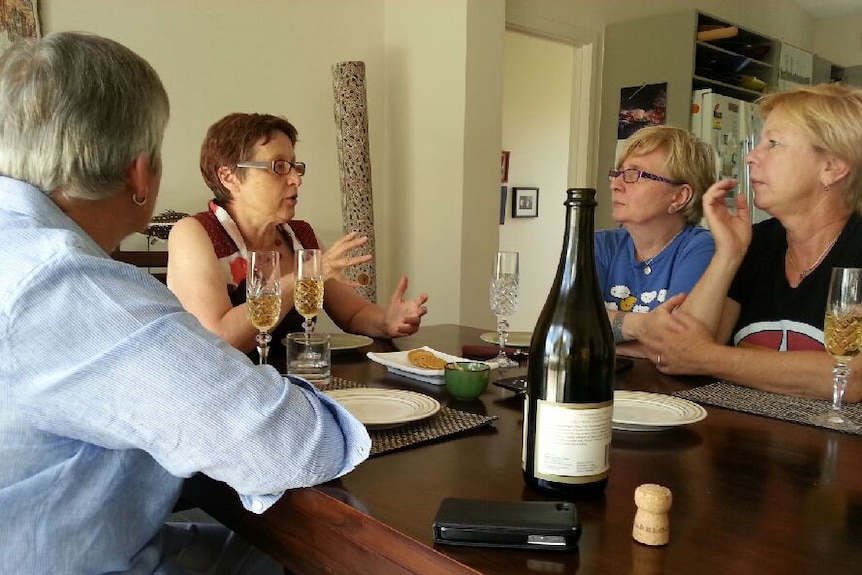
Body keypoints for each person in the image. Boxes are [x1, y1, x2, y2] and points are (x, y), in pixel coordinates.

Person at [0, 32, 370, 574]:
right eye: (276, 166)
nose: (292, 179)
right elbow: (284, 444)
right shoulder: (67, 285)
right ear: (139, 170)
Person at [640, 83, 862, 402]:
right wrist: (729, 253)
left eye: (773, 143)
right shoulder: (759, 243)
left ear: (832, 167)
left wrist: (710, 358)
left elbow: (850, 377)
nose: (751, 157)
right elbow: (679, 354)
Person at [167, 113, 428, 356]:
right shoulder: (196, 234)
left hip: (292, 381)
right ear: (229, 177)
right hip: (226, 393)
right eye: (279, 166)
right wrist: (304, 276)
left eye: (294, 166)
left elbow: (353, 314)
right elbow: (218, 341)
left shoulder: (300, 236)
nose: (296, 179)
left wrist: (387, 321)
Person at [597, 125, 716, 357]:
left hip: (668, 392)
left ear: (679, 197)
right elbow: (569, 322)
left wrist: (597, 341)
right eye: (618, 173)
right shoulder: (600, 245)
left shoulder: (700, 248)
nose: (615, 185)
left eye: (634, 175)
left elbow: (676, 343)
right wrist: (643, 326)